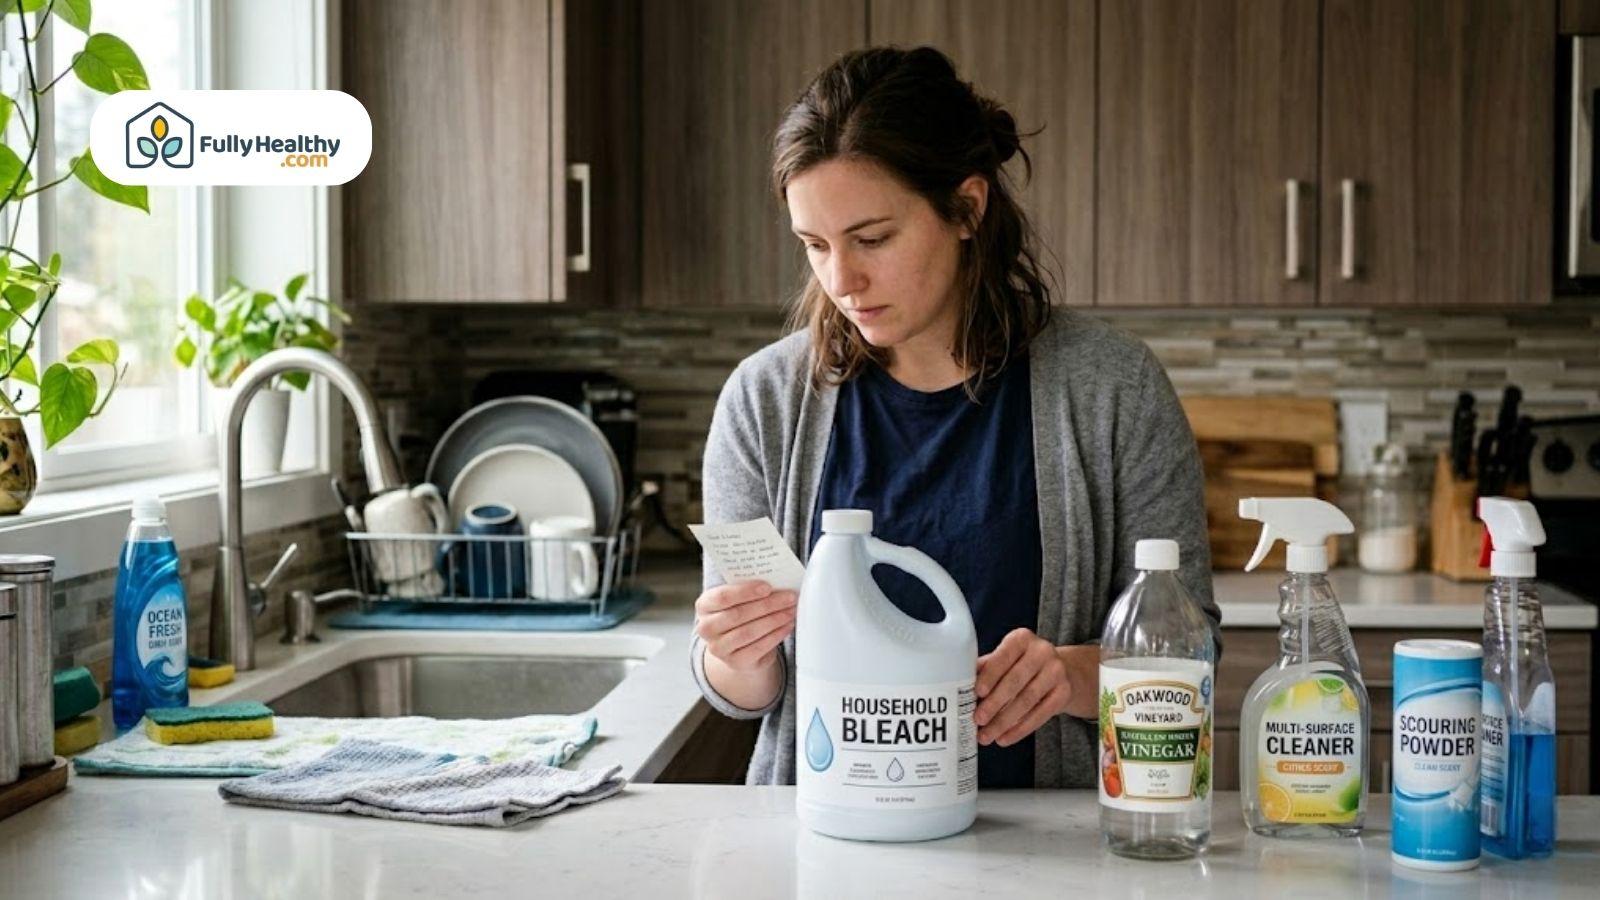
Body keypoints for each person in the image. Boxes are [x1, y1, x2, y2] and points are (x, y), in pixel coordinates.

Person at [690, 46, 1218, 789]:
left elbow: (1192, 652)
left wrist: (1070, 676)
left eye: (872, 239)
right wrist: (736, 654)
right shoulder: (764, 402)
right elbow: (747, 692)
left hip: (1043, 836)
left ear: (967, 208)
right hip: (826, 833)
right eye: (815, 246)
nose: (842, 279)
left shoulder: (1113, 388)